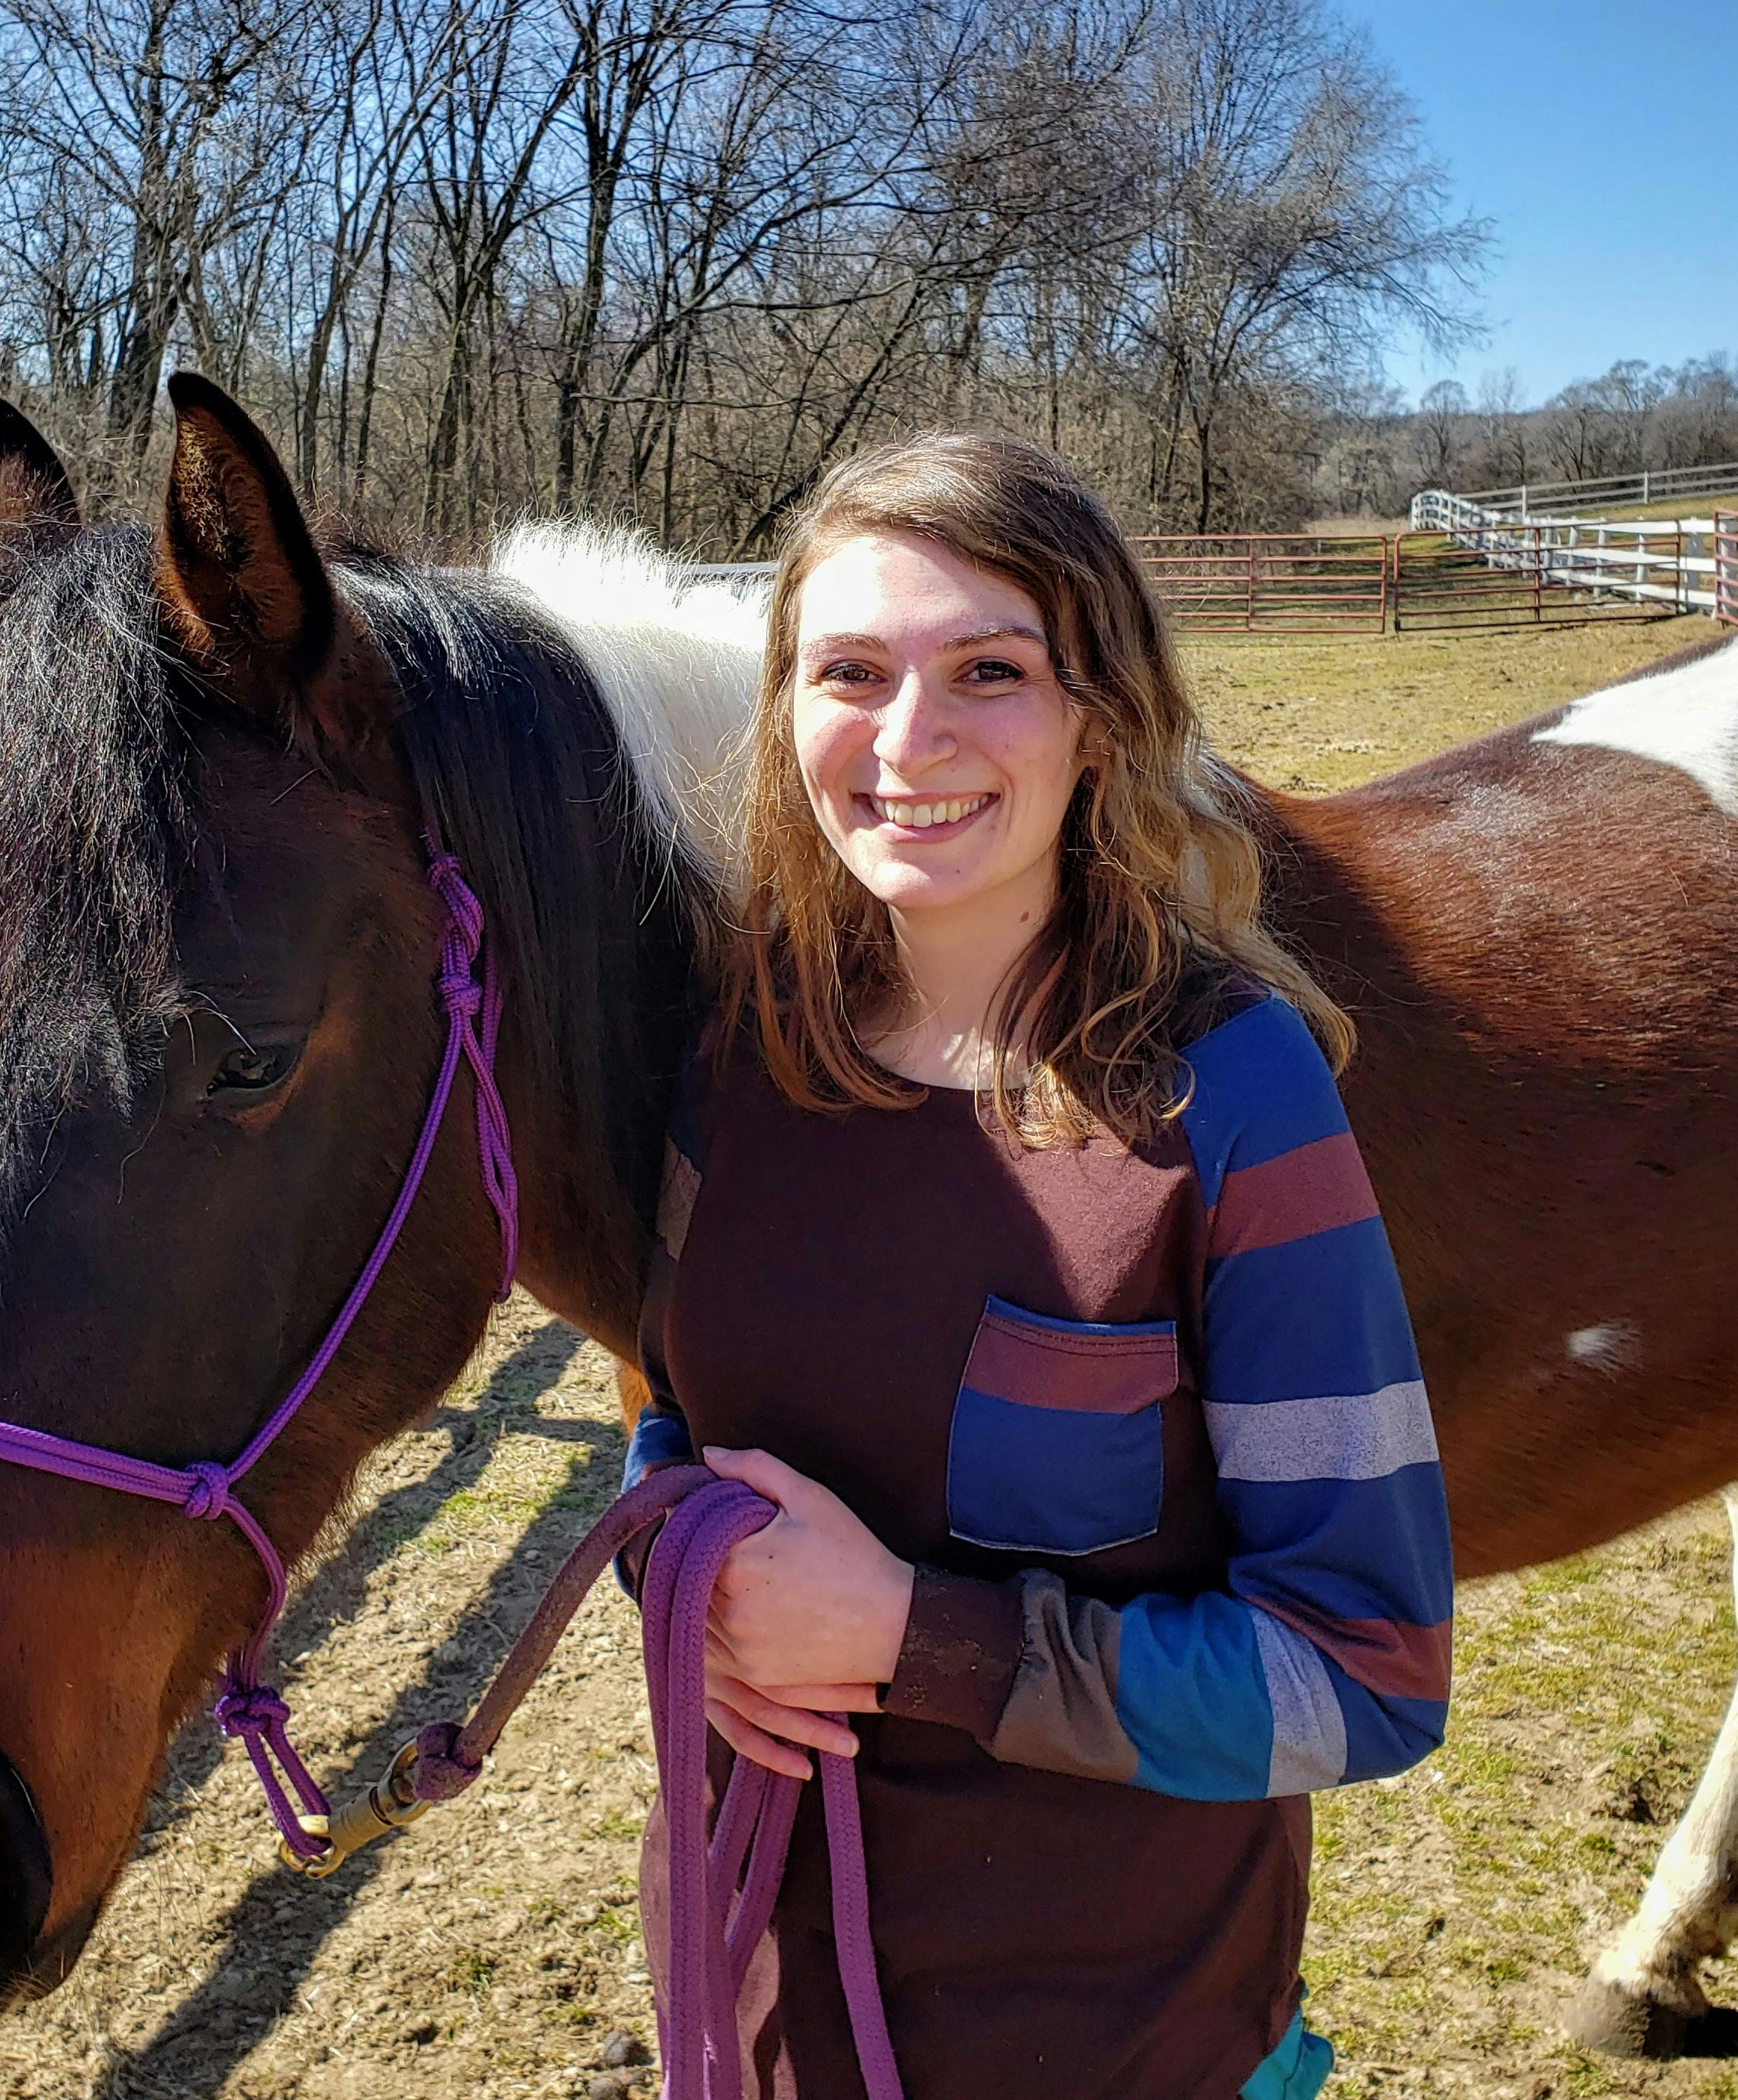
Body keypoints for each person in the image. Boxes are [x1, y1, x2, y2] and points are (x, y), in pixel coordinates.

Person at [622, 432, 1452, 2100]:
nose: (909, 737)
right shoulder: (728, 1051)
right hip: (747, 1993)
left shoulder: (1233, 1094)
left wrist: (911, 1638)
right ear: (787, 711)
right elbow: (672, 1433)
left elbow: (1365, 1674)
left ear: (1102, 718)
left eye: (988, 670)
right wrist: (682, 1575)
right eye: (851, 670)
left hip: (1112, 2033)